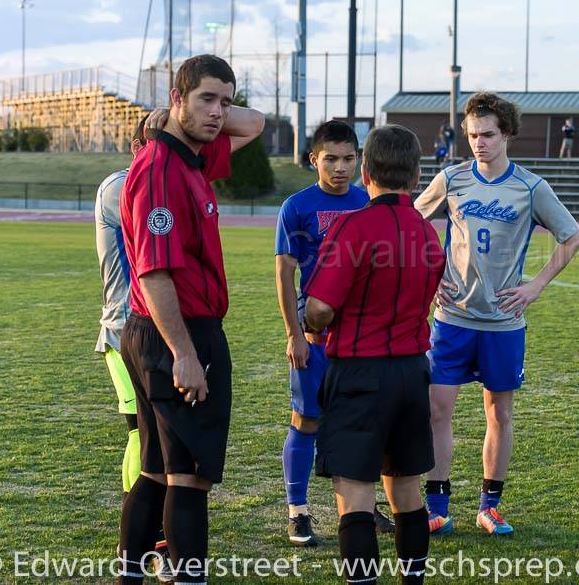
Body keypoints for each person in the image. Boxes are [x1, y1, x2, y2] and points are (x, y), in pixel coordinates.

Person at [116, 54, 265, 584]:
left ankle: (129, 573)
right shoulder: (160, 169)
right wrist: (183, 353)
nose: (220, 112)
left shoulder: (193, 158)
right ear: (175, 99)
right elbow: (155, 274)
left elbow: (257, 123)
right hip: (175, 331)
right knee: (188, 476)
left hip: (163, 329)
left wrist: (204, 105)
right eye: (205, 98)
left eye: (225, 100)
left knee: (156, 471)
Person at [415, 91, 579, 536]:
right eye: (472, 134)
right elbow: (410, 224)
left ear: (506, 133)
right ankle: (437, 506)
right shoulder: (451, 179)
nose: (479, 142)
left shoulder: (531, 187)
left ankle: (489, 506)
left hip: (504, 324)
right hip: (452, 319)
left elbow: (570, 237)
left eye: (488, 134)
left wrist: (536, 285)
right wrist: (433, 275)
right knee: (437, 410)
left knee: (499, 415)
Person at [303, 124, 445, 585]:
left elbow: (321, 307)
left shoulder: (354, 225)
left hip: (360, 373)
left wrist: (309, 324)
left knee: (355, 492)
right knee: (406, 490)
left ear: (364, 172)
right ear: (418, 175)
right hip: (411, 372)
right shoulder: (427, 233)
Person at [275, 119, 396, 547]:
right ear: (314, 160)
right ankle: (298, 511)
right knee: (307, 420)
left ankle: (364, 504)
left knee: (363, 422)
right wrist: (293, 333)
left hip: (362, 336)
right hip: (316, 334)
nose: (341, 167)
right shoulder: (297, 206)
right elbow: (285, 273)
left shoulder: (368, 202)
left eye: (349, 159)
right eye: (331, 159)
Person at [95, 115, 173, 580]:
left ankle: (150, 532)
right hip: (126, 330)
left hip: (164, 329)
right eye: (153, 146)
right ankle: (145, 542)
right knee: (141, 438)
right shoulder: (119, 186)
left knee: (163, 440)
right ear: (135, 147)